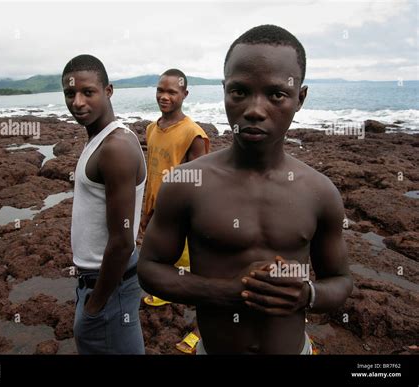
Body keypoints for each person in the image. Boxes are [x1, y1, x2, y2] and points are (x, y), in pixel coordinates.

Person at [138, 25, 353, 354]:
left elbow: (340, 280)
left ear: (301, 98)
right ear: (224, 91)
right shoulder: (186, 184)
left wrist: (307, 294)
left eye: (276, 94)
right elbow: (150, 270)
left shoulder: (320, 193)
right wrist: (230, 292)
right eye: (239, 92)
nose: (254, 109)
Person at [62, 54, 146, 354]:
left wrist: (95, 306)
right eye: (70, 94)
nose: (78, 102)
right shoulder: (98, 138)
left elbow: (123, 241)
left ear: (108, 91)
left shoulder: (116, 148)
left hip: (109, 285)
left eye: (88, 92)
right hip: (101, 281)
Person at [139, 69, 209, 354]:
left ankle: (202, 331)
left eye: (172, 92)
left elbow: (200, 182)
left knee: (202, 274)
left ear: (185, 95)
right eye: (160, 91)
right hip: (156, 208)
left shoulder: (193, 134)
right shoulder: (151, 128)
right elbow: (154, 169)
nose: (164, 97)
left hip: (184, 214)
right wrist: (147, 206)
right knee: (162, 256)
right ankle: (163, 294)